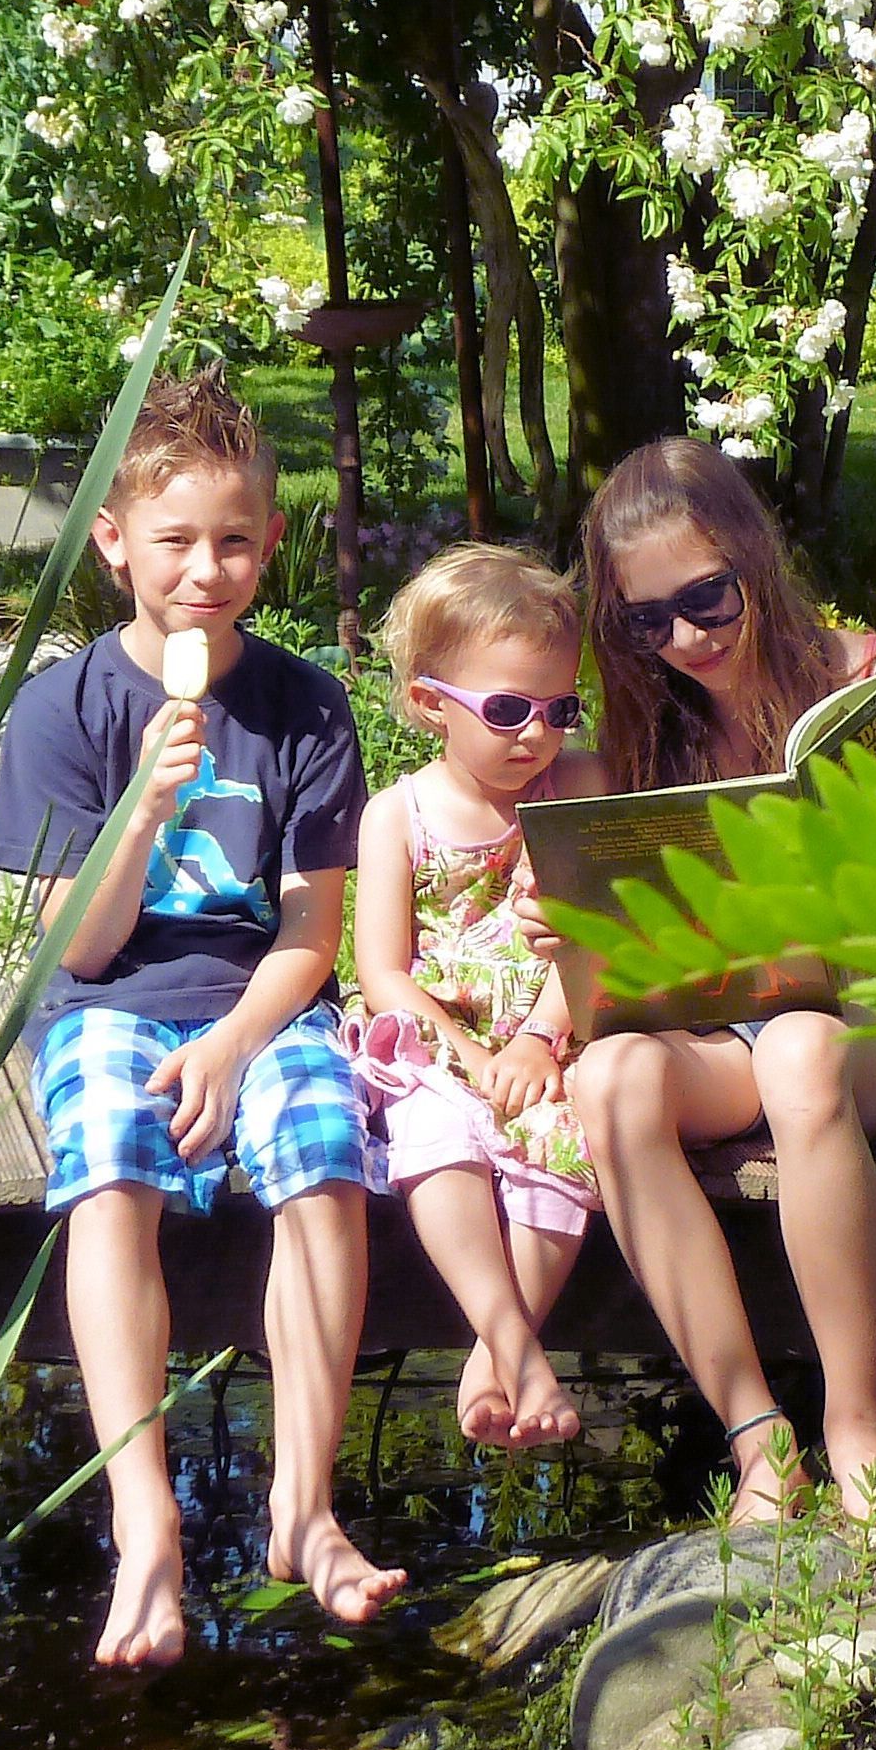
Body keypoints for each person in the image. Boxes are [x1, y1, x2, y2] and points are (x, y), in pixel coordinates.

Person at [0, 368, 405, 1667]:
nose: (204, 571)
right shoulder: (65, 713)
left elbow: (312, 937)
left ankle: (304, 1502)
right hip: (108, 1001)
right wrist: (143, 812)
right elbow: (85, 944)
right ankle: (145, 1518)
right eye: (173, 543)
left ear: (271, 542)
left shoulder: (304, 707)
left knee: (326, 1159)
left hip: (260, 1003)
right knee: (108, 1175)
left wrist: (232, 1045)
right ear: (116, 549)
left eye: (233, 541)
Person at [548, 437, 876, 1528]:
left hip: (852, 1023)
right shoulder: (650, 727)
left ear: (754, 557)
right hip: (718, 1027)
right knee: (610, 1080)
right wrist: (573, 931)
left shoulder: (872, 682)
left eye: (707, 599)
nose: (683, 638)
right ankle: (757, 1436)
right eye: (643, 621)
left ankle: (856, 1425)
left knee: (804, 1048)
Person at [347, 544, 602, 1451]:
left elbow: (596, 930)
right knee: (436, 1125)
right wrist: (471, 1055)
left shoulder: (576, 790)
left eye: (559, 708)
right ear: (430, 705)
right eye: (506, 710)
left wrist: (539, 1040)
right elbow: (385, 972)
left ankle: (496, 1355)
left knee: (565, 1140)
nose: (538, 734)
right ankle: (516, 1350)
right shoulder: (398, 815)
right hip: (441, 1040)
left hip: (551, 1032)